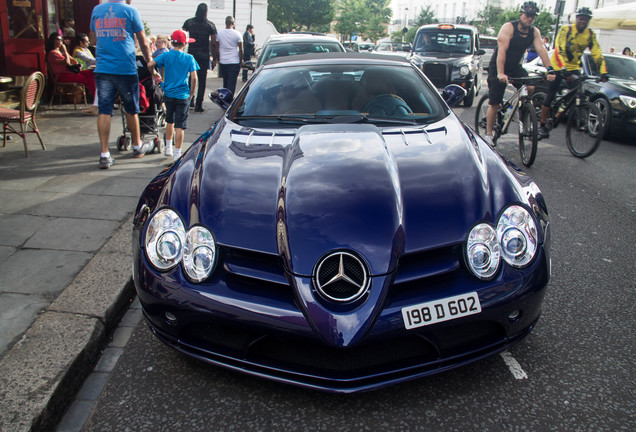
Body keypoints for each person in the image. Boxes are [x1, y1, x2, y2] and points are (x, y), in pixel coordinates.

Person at [90, 0, 154, 169]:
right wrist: (150, 63)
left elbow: (92, 37)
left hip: (103, 67)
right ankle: (137, 145)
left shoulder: (97, 10)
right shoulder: (130, 11)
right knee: (131, 108)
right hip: (125, 67)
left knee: (104, 110)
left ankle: (104, 154)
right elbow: (143, 41)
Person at [484, 1, 554, 147]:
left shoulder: (534, 32)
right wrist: (501, 73)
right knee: (495, 103)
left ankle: (523, 107)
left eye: (532, 17)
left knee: (531, 87)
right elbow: (502, 52)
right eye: (527, 15)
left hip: (515, 66)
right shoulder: (509, 28)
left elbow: (541, 50)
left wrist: (550, 69)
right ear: (521, 15)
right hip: (498, 66)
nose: (530, 19)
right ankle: (488, 134)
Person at [538, 7, 608, 139]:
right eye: (581, 18)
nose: (583, 21)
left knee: (578, 94)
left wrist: (603, 72)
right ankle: (542, 125)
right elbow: (560, 49)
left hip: (574, 67)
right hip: (558, 65)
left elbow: (597, 53)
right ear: (576, 19)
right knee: (550, 95)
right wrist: (563, 70)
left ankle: (569, 114)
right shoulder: (567, 30)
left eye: (586, 19)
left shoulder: (590, 35)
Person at [147, 30, 199, 161]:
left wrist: (155, 74)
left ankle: (168, 148)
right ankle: (177, 152)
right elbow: (194, 78)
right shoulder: (189, 58)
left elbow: (150, 64)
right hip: (183, 95)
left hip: (168, 93)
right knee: (180, 126)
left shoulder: (166, 56)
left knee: (169, 121)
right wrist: (192, 94)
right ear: (184, 44)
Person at [46, 32, 98, 114]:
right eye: (57, 40)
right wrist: (65, 51)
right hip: (62, 75)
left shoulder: (60, 52)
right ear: (52, 40)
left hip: (70, 73)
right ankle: (97, 102)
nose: (59, 42)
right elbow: (67, 62)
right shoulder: (52, 53)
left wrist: (66, 54)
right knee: (85, 79)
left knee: (90, 73)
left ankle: (97, 100)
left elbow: (74, 61)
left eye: (61, 40)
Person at [182, 3, 217, 112]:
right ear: (206, 12)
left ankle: (189, 100)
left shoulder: (189, 22)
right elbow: (214, 43)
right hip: (204, 54)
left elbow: (183, 34)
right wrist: (214, 58)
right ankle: (198, 104)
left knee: (190, 78)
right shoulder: (210, 25)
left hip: (192, 53)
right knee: (202, 80)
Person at [216, 16, 243, 95]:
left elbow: (216, 48)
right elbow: (241, 49)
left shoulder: (219, 33)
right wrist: (240, 61)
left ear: (225, 23)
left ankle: (225, 99)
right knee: (232, 83)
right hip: (234, 61)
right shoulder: (237, 34)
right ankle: (229, 100)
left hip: (223, 61)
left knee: (225, 82)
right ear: (233, 23)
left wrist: (218, 60)